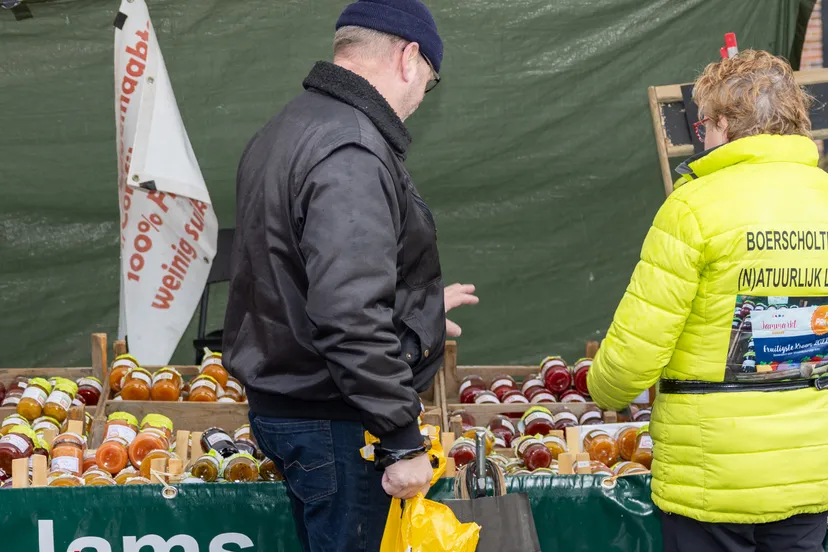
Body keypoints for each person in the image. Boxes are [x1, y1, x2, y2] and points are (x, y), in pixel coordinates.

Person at [222, 1, 478, 551]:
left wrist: (423, 311)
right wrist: (401, 437)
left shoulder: (285, 129)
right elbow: (347, 314)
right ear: (409, 58)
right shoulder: (352, 149)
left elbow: (295, 277)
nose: (417, 100)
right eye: (428, 83)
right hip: (336, 422)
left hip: (289, 408)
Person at [588, 50, 828, 552]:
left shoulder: (693, 207)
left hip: (712, 482)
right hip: (811, 474)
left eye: (704, 125)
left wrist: (602, 386)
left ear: (723, 123)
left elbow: (631, 362)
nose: (703, 137)